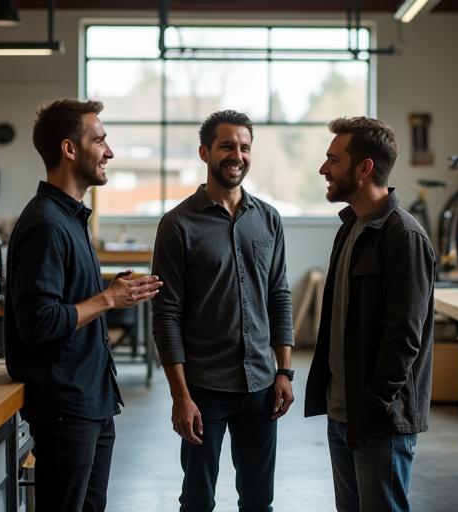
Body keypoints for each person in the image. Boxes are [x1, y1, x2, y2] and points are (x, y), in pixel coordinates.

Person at [5, 98, 163, 512]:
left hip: (92, 400)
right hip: (65, 408)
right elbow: (37, 322)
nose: (108, 152)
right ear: (69, 149)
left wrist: (109, 292)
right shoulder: (46, 224)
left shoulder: (70, 218)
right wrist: (109, 298)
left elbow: (69, 302)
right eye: (100, 140)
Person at [152, 110, 295, 512]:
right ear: (205, 152)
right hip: (204, 390)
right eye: (227, 146)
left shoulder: (269, 219)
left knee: (258, 501)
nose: (237, 155)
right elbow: (166, 316)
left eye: (245, 147)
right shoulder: (177, 225)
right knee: (197, 500)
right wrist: (180, 396)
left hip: (262, 387)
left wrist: (283, 372)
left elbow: (279, 297)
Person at [304, 116, 435, 512]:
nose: (324, 169)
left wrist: (376, 403)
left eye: (333, 160)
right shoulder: (351, 227)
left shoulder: (404, 236)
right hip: (344, 413)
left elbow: (404, 336)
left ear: (364, 168)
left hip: (379, 421)